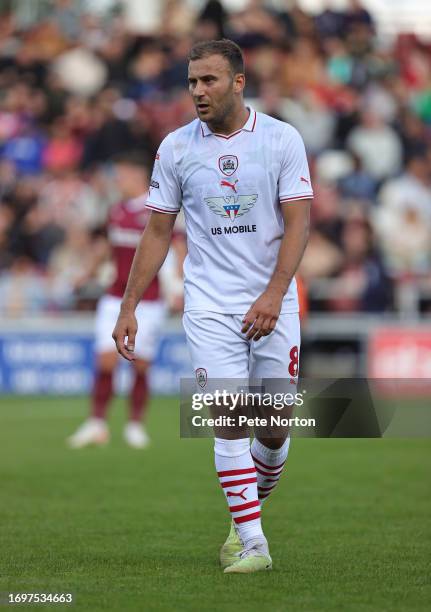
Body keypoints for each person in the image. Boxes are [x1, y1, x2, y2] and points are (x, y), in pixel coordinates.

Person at [112, 40, 312, 572]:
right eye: (192, 82)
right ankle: (253, 543)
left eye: (209, 81)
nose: (198, 91)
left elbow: (299, 222)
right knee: (229, 417)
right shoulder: (175, 148)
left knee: (273, 429)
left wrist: (273, 294)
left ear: (238, 82)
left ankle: (243, 513)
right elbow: (157, 232)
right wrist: (129, 306)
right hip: (208, 305)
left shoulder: (280, 139)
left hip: (275, 301)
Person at [67, 152, 168, 449]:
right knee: (105, 361)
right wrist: (85, 274)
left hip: (148, 300)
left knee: (140, 365)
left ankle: (135, 425)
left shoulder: (157, 209)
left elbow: (175, 248)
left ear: (137, 178)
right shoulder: (116, 211)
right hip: (115, 296)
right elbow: (107, 249)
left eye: (121, 176)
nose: (117, 182)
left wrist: (179, 284)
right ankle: (97, 422)